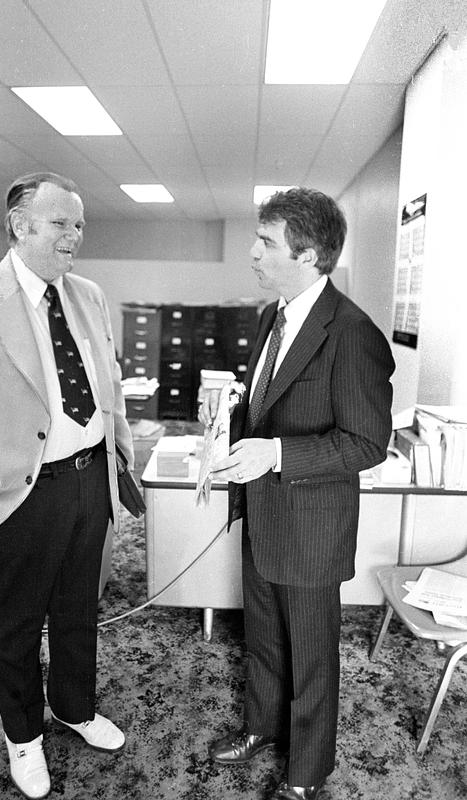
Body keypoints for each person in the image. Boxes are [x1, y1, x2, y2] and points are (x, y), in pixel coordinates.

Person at [0, 172, 134, 799]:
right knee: (17, 621)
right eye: (62, 222)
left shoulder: (87, 294)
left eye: (79, 224)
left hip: (90, 482)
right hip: (20, 492)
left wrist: (119, 459)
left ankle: (74, 707)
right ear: (20, 225)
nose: (75, 236)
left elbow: (105, 386)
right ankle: (23, 737)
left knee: (76, 610)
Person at [199, 187, 395, 800]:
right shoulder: (273, 315)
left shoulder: (353, 333)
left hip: (310, 525)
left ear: (309, 256)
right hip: (261, 514)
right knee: (262, 636)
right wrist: (231, 413)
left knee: (312, 657)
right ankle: (261, 727)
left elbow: (366, 443)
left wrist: (277, 453)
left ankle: (306, 775)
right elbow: (271, 405)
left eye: (266, 243)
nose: (253, 254)